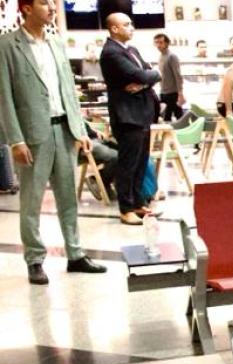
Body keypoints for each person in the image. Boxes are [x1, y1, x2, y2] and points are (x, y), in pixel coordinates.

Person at [0, 0, 106, 284]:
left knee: (68, 197)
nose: (51, 7)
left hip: (65, 130)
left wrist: (81, 128)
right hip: (33, 135)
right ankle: (34, 259)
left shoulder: (56, 43)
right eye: (44, 2)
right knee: (31, 201)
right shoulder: (8, 45)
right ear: (26, 8)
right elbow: (4, 97)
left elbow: (68, 90)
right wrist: (15, 139)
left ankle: (75, 253)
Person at [100, 11, 160, 226]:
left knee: (141, 162)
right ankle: (125, 208)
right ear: (114, 28)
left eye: (131, 23)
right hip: (127, 116)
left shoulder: (131, 49)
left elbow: (150, 73)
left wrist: (144, 81)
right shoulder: (111, 53)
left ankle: (137, 202)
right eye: (126, 24)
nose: (132, 27)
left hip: (143, 113)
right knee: (128, 164)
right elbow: (144, 74)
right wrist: (146, 78)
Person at [153, 33, 183, 121]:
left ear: (166, 43)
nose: (158, 45)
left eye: (161, 42)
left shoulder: (172, 56)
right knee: (166, 117)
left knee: (178, 117)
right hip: (164, 92)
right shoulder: (161, 56)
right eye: (156, 43)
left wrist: (180, 93)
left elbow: (178, 76)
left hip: (173, 93)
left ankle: (183, 133)